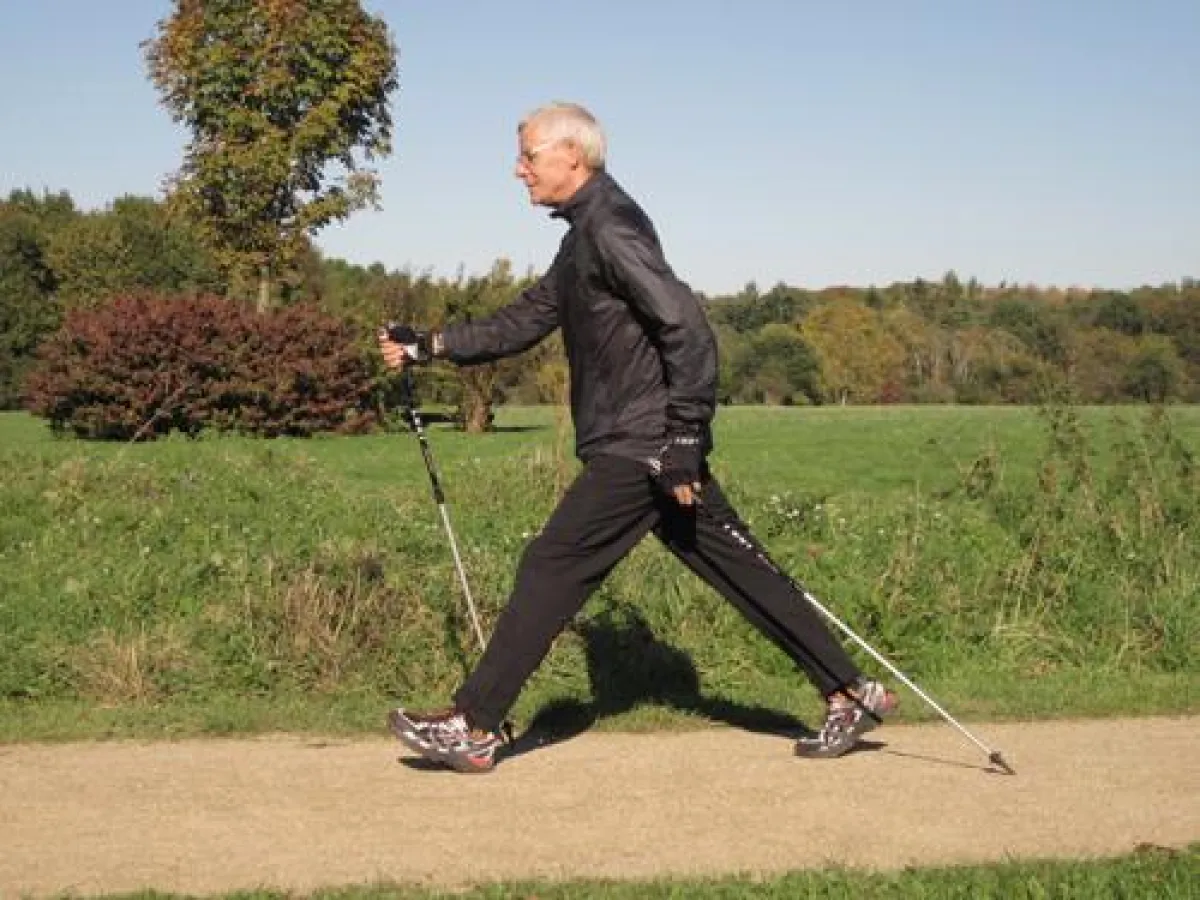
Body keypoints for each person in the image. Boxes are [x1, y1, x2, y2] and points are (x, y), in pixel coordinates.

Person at [377, 101, 896, 773]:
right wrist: (432, 344)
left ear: (574, 155)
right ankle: (850, 693)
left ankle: (473, 726)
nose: (518, 169)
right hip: (647, 442)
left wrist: (683, 438)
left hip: (643, 444)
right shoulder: (583, 234)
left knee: (552, 563)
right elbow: (526, 319)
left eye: (528, 155)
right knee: (735, 565)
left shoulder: (612, 227)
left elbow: (688, 328)